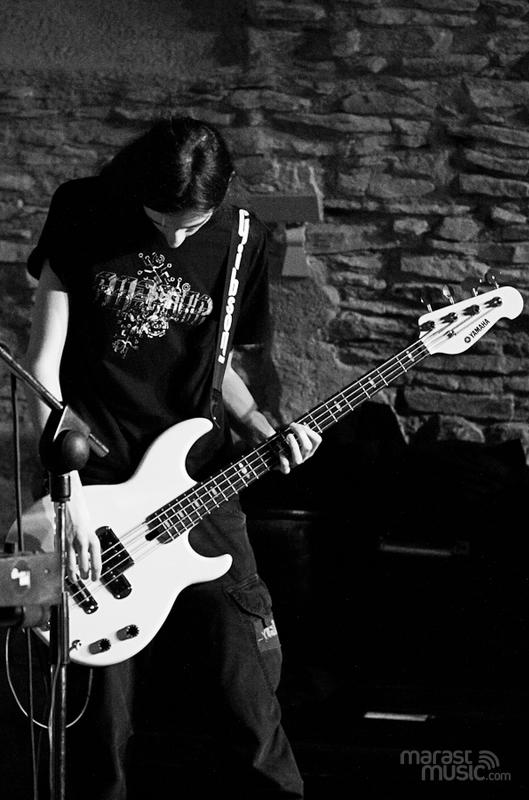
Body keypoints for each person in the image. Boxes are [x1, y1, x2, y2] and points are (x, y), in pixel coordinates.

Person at [24, 116, 321, 799]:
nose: (176, 239)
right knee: (97, 735)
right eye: (161, 221)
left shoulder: (242, 235)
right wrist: (66, 496)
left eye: (194, 224)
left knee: (250, 708)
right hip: (95, 486)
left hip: (200, 487)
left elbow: (218, 365)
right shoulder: (83, 210)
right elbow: (43, 368)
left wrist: (261, 426)